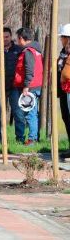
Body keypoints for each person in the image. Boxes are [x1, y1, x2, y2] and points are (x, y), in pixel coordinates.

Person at [13, 27, 43, 145]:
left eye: (17, 38)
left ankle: (32, 139)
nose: (17, 41)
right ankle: (34, 137)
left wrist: (26, 86)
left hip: (30, 88)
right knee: (32, 113)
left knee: (30, 113)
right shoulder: (35, 50)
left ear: (21, 38)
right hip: (34, 86)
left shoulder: (28, 51)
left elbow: (29, 70)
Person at [57, 24, 70, 158]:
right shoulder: (63, 52)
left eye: (63, 37)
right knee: (66, 117)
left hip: (69, 87)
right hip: (63, 89)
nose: (61, 39)